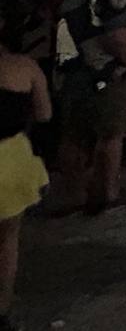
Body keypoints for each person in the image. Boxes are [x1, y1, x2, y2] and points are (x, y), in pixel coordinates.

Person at [56, 0, 126, 214]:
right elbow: (115, 35)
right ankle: (109, 192)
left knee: (74, 133)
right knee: (111, 133)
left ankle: (74, 193)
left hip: (71, 67)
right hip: (104, 70)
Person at [0, 16, 51, 331]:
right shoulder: (24, 67)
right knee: (7, 240)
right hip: (11, 155)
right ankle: (2, 309)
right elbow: (44, 113)